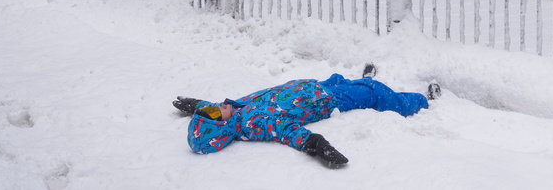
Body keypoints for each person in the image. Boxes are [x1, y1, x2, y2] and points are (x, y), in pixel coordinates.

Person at [173, 64, 441, 168]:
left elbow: (210, 113)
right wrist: (318, 146)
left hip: (312, 87)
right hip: (325, 101)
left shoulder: (232, 111)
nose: (218, 105)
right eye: (213, 112)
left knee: (340, 79)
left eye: (209, 108)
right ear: (222, 127)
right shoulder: (256, 125)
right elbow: (290, 133)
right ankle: (420, 101)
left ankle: (359, 82)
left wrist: (195, 105)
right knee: (374, 93)